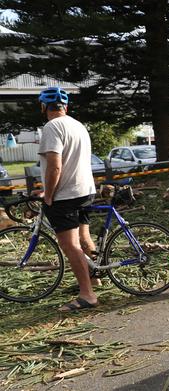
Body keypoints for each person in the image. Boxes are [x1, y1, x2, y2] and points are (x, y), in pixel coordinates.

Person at [37, 87, 98, 311]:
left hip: (66, 196)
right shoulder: (77, 125)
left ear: (43, 107)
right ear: (66, 107)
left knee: (69, 245)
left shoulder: (52, 127)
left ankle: (87, 295)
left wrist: (49, 195)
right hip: (85, 190)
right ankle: (93, 279)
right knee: (83, 236)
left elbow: (55, 166)